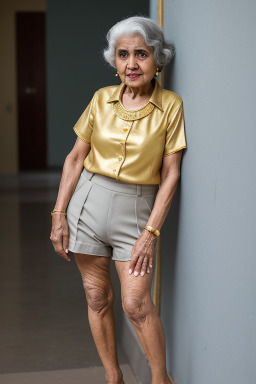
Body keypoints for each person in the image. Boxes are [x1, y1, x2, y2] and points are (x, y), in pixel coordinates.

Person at [50, 15, 187, 384]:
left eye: (141, 54)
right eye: (123, 54)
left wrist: (150, 233)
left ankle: (160, 379)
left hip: (137, 210)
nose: (131, 64)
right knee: (97, 297)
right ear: (115, 61)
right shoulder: (100, 100)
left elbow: (171, 173)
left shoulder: (171, 106)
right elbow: (76, 158)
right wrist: (59, 214)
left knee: (135, 304)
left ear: (158, 58)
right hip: (88, 205)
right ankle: (114, 377)